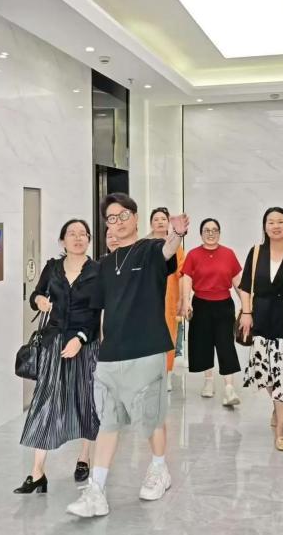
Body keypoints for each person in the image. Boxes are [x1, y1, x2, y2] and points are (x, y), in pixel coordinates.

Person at [66, 193, 188, 517]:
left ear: (135, 217)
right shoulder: (104, 265)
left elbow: (169, 249)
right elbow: (100, 312)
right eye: (111, 218)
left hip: (147, 349)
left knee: (151, 418)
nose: (117, 223)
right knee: (107, 422)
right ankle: (96, 491)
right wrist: (94, 345)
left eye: (123, 216)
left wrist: (177, 233)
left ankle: (160, 469)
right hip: (110, 355)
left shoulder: (150, 249)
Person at [14, 219, 100, 494]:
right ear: (63, 240)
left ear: (89, 240)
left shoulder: (97, 271)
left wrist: (81, 338)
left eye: (83, 234)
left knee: (86, 399)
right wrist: (38, 300)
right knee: (46, 400)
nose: (78, 238)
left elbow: (98, 312)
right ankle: (37, 472)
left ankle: (84, 457)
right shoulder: (52, 267)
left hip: (84, 345)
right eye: (71, 234)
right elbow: (36, 295)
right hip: (54, 344)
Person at [239, 207, 283, 451]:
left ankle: (281, 428)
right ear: (265, 227)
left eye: (280, 221)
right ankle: (277, 406)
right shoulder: (256, 252)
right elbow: (245, 287)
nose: (275, 226)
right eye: (270, 222)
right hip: (262, 323)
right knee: (265, 375)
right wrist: (246, 313)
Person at [180, 218, 242, 406]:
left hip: (224, 305)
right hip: (201, 304)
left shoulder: (228, 254)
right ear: (201, 234)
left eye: (214, 230)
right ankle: (208, 382)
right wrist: (186, 301)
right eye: (206, 230)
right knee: (204, 343)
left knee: (225, 344)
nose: (211, 233)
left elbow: (238, 281)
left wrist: (247, 305)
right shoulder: (193, 254)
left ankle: (229, 388)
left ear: (219, 233)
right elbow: (187, 278)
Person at [147, 207, 186, 391]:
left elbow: (182, 274)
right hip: (148, 299)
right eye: (156, 219)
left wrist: (183, 300)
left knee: (169, 336)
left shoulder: (176, 246)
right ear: (151, 223)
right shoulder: (144, 246)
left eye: (163, 219)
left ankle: (168, 374)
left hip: (169, 298)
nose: (160, 222)